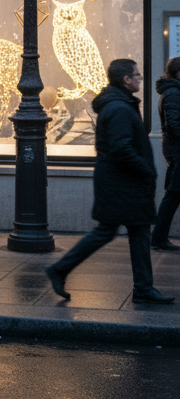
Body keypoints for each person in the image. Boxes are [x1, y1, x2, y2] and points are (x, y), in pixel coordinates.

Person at [45, 59, 175, 304]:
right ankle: (60, 269)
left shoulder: (120, 104)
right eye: (137, 75)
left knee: (136, 233)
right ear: (126, 79)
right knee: (110, 231)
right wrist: (146, 169)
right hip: (122, 182)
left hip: (121, 181)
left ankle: (143, 288)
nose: (139, 78)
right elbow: (121, 148)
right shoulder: (119, 108)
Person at [152, 57, 180, 251]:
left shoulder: (173, 91)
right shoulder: (173, 93)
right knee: (173, 196)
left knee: (172, 195)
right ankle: (158, 239)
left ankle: (158, 238)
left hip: (175, 150)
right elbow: (174, 125)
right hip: (177, 151)